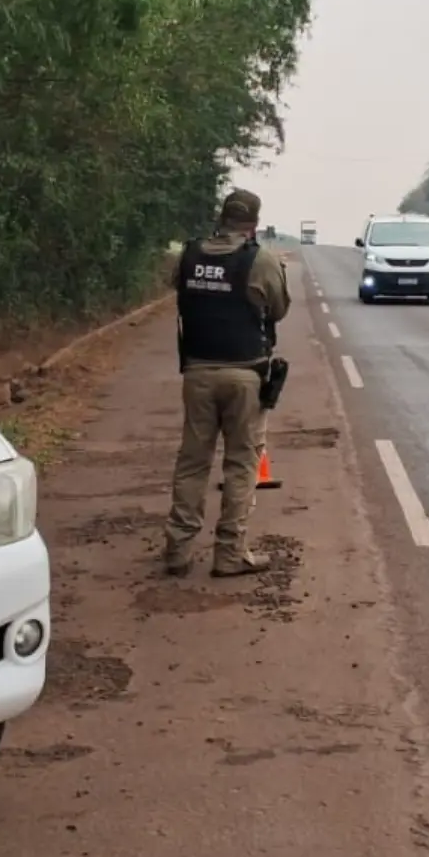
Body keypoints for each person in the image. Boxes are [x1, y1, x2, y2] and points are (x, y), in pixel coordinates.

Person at [163, 188, 290, 578]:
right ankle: (230, 553)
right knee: (240, 465)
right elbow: (279, 309)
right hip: (245, 375)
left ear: (222, 218)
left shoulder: (188, 255)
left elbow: (177, 285)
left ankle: (177, 552)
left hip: (198, 373)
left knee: (192, 463)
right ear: (253, 223)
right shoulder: (261, 260)